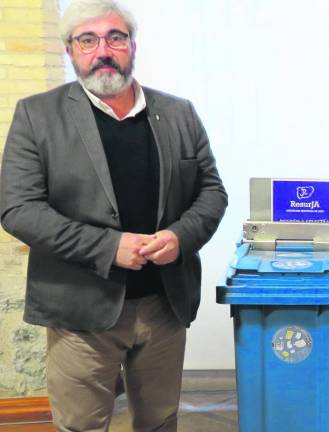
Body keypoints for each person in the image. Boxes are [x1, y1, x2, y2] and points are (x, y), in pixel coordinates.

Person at [0, 0, 227, 429]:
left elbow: (211, 193)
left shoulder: (179, 113)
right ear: (71, 51)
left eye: (115, 38)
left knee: (161, 421)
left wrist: (180, 236)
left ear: (133, 46)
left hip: (164, 304)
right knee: (82, 425)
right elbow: (18, 209)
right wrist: (109, 247)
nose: (103, 50)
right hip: (81, 313)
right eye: (88, 40)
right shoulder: (37, 116)